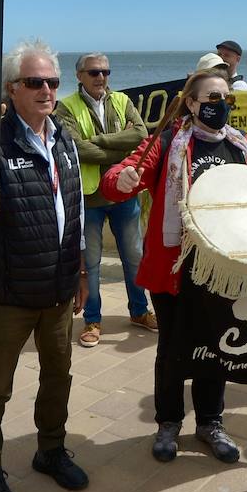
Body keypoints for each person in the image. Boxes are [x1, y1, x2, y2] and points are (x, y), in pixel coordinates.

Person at [0, 40, 89, 492]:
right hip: (9, 293)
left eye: (53, 81)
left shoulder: (64, 139)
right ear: (11, 89)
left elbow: (72, 208)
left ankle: (50, 449)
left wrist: (78, 270)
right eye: (35, 82)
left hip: (56, 289)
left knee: (58, 375)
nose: (47, 90)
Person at [100, 68, 247, 465]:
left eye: (226, 99)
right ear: (190, 103)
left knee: (216, 346)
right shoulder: (170, 141)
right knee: (172, 348)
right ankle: (168, 423)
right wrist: (121, 178)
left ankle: (210, 422)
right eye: (211, 99)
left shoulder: (240, 146)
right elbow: (121, 175)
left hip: (222, 269)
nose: (220, 106)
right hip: (175, 266)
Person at [55, 52, 154, 347]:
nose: (101, 77)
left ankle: (139, 311)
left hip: (124, 194)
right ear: (80, 76)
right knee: (93, 264)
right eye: (95, 72)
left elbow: (141, 134)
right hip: (90, 197)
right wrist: (118, 150)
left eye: (106, 72)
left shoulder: (122, 101)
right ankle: (93, 319)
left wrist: (98, 142)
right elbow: (76, 149)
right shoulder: (65, 107)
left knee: (134, 257)